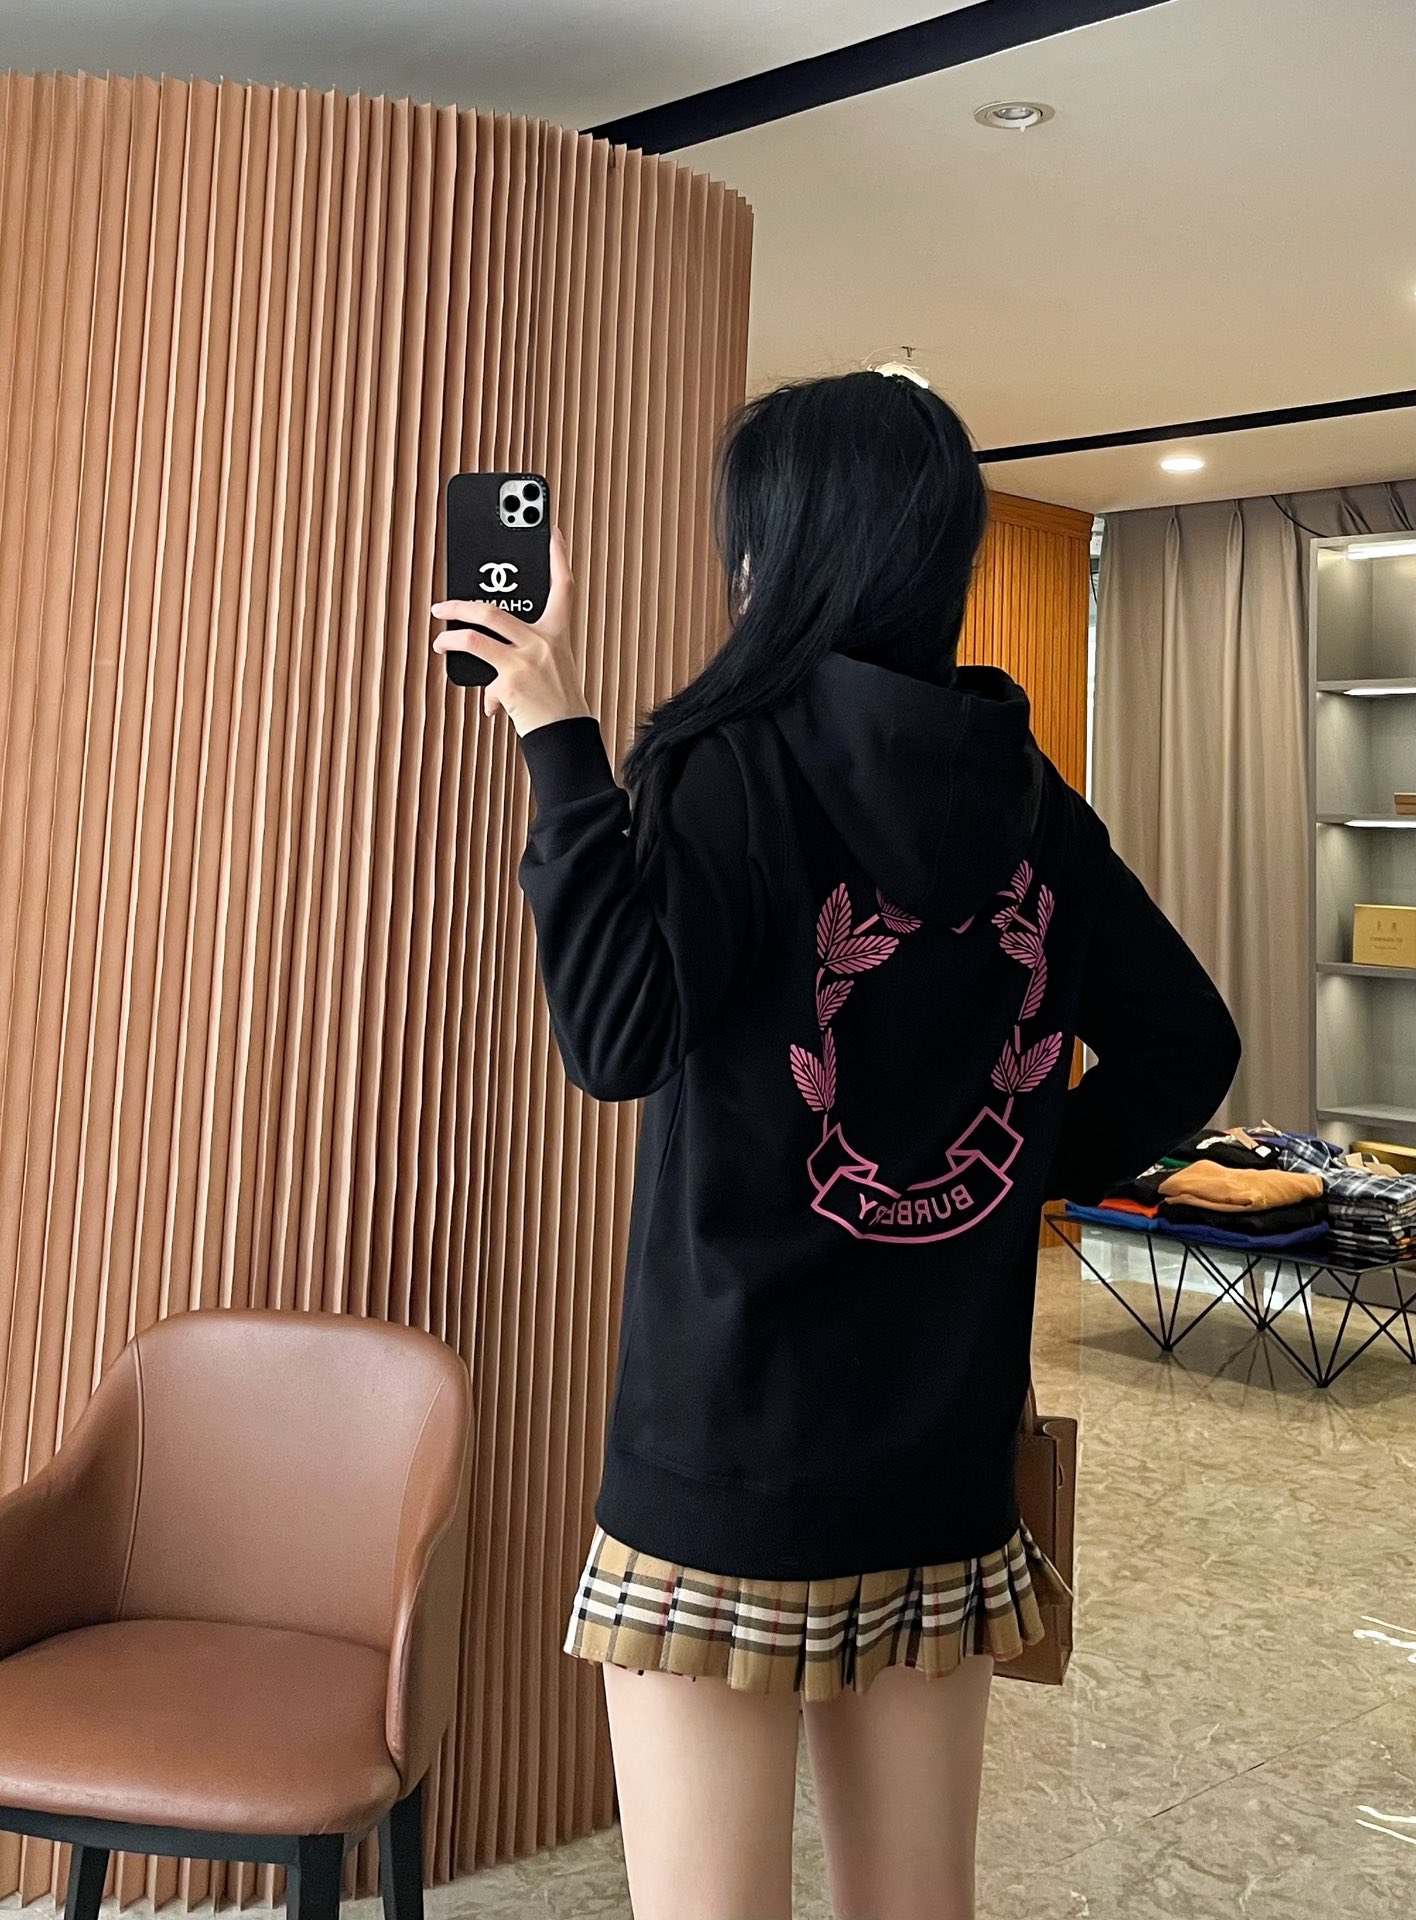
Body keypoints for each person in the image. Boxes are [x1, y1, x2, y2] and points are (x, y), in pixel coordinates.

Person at [432, 371, 1241, 1920]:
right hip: (940, 1457)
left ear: (780, 553)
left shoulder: (725, 762)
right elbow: (1186, 1046)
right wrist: (1010, 1161)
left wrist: (557, 740)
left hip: (725, 1458)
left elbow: (614, 1043)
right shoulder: (1029, 797)